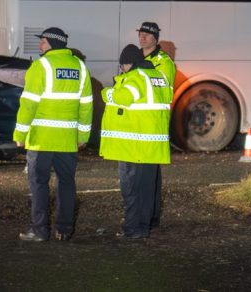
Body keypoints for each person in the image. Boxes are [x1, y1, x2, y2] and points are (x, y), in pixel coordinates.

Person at [14, 27, 93, 242]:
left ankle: (40, 230)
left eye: (42, 42)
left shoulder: (41, 66)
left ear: (51, 43)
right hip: (67, 141)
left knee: (39, 184)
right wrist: (83, 137)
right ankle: (65, 230)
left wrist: (20, 133)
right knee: (66, 183)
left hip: (42, 139)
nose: (40, 45)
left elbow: (28, 104)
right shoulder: (80, 67)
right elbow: (86, 105)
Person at [99, 44, 172, 239]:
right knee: (147, 191)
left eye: (122, 66)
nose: (122, 69)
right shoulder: (159, 77)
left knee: (131, 190)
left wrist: (107, 93)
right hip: (152, 144)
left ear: (128, 64)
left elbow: (124, 97)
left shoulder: (135, 78)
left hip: (133, 146)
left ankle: (132, 229)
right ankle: (143, 227)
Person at [136, 21, 176, 230]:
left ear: (155, 38)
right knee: (143, 175)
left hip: (153, 124)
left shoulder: (164, 62)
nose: (142, 37)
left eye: (147, 34)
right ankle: (145, 216)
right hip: (138, 124)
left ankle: (150, 218)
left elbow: (157, 88)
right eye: (141, 33)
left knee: (150, 176)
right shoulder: (137, 57)